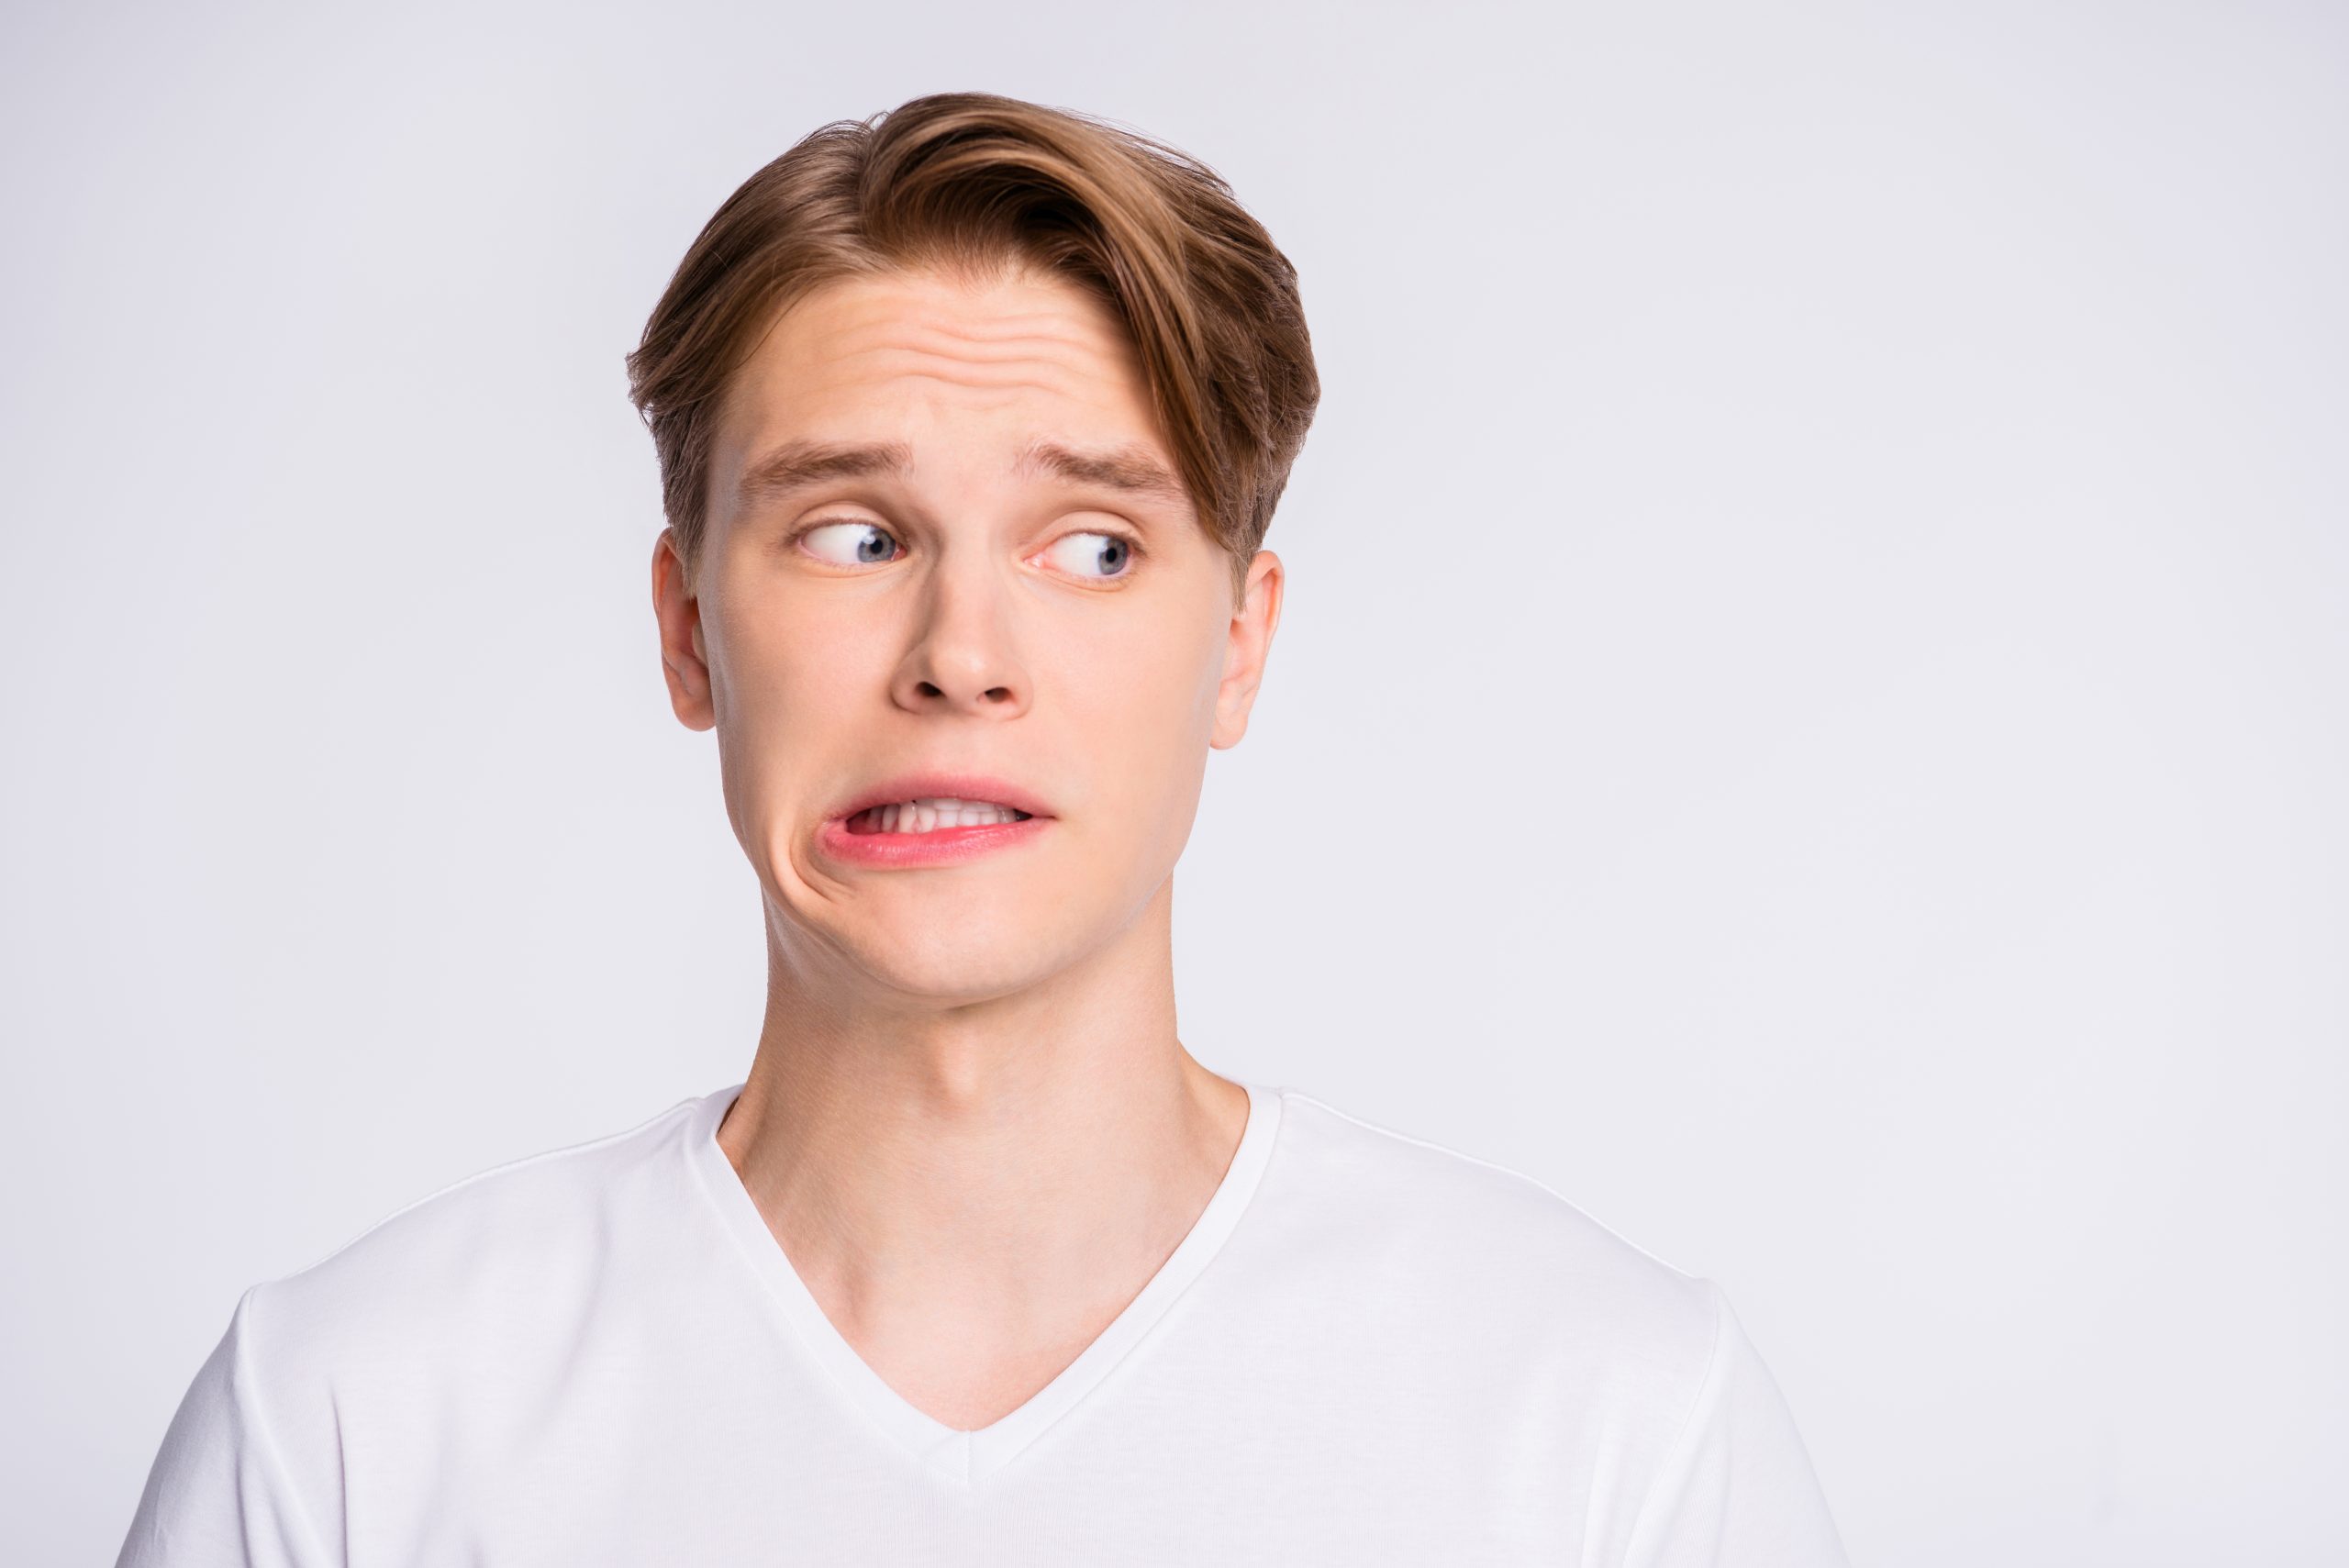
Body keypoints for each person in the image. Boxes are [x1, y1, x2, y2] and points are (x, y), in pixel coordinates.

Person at [114, 92, 1849, 1565]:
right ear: (686, 629)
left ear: (1237, 641)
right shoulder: (343, 1425)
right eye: (854, 535)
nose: (958, 659)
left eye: (1090, 544)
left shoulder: (1609, 1425)